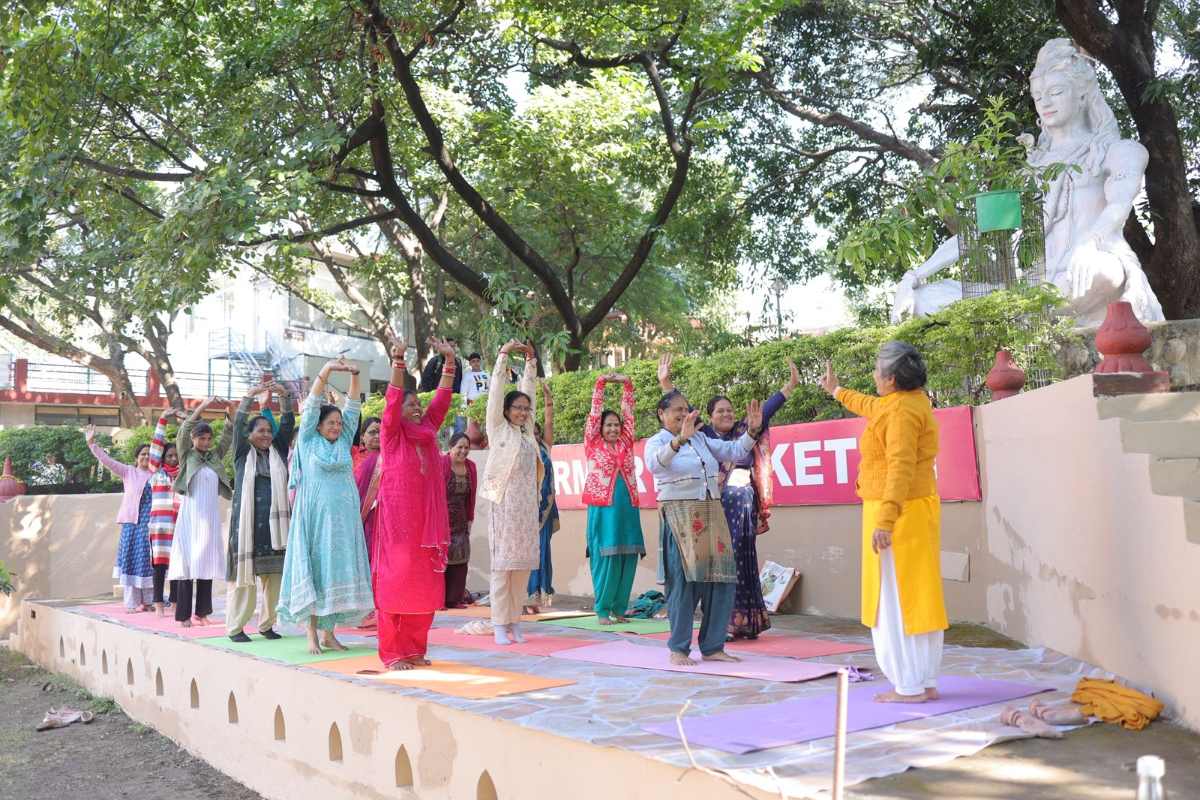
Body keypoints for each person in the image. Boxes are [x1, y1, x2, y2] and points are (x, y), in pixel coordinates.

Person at [819, 341, 947, 703]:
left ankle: (909, 686)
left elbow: (900, 468)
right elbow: (870, 406)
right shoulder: (907, 403)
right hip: (911, 511)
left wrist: (886, 520)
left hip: (898, 515)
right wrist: (837, 391)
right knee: (916, 595)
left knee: (895, 600)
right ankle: (923, 680)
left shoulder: (901, 412)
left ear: (891, 379)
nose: (874, 376)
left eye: (877, 371)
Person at [659, 354, 799, 640]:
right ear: (709, 417)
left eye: (730, 410)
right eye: (720, 411)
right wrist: (666, 383)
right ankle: (724, 624)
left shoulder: (742, 432)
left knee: (744, 560)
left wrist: (789, 386)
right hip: (717, 509)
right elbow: (680, 410)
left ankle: (746, 622)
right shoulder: (705, 436)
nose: (726, 414)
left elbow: (765, 412)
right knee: (724, 564)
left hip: (744, 505)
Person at [645, 389, 762, 665]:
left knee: (721, 580)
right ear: (662, 414)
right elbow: (654, 465)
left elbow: (733, 451)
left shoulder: (700, 438)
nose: (683, 414)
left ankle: (712, 647)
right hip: (681, 515)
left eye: (686, 409)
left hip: (712, 512)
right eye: (677, 410)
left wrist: (752, 432)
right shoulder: (657, 441)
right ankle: (678, 649)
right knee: (683, 583)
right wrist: (679, 440)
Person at [278, 358, 375, 654]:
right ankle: (311, 634)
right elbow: (311, 404)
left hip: (343, 521)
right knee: (316, 572)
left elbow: (353, 407)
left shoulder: (343, 441)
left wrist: (356, 374)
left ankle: (329, 634)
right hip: (314, 520)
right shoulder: (308, 441)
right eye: (330, 423)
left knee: (334, 574)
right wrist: (328, 370)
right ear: (318, 425)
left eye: (338, 423)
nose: (336, 426)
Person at [370, 338, 456, 669]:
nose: (417, 408)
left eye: (419, 403)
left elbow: (442, 401)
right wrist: (397, 360)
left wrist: (449, 361)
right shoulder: (392, 435)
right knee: (396, 585)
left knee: (424, 587)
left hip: (426, 526)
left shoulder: (428, 430)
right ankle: (392, 653)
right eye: (411, 405)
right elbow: (392, 402)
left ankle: (414, 649)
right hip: (397, 525)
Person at [479, 339, 539, 646]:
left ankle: (515, 620)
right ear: (506, 410)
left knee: (522, 566)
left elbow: (530, 393)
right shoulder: (498, 428)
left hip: (526, 509)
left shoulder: (528, 434)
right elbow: (495, 393)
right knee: (503, 567)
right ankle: (499, 623)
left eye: (526, 409)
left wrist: (530, 363)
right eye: (517, 408)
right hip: (502, 505)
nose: (523, 412)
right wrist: (503, 355)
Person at [225, 382, 295, 643]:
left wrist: (284, 397)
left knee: (275, 578)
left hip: (276, 529)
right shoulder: (242, 454)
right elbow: (239, 424)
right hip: (248, 528)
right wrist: (249, 397)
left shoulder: (278, 451)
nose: (266, 435)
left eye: (268, 431)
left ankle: (267, 624)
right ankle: (236, 627)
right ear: (249, 434)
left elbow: (287, 424)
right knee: (245, 581)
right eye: (260, 431)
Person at [581, 372, 645, 625]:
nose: (613, 428)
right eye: (608, 425)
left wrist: (627, 384)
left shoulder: (626, 442)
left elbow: (629, 414)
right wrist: (601, 384)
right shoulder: (593, 443)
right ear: (599, 428)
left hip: (628, 507)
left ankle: (620, 609)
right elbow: (595, 413)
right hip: (603, 509)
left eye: (616, 425)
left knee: (627, 557)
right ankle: (602, 609)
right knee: (606, 558)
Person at [169, 396, 234, 627]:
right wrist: (203, 406)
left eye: (208, 439)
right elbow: (183, 431)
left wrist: (230, 412)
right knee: (187, 566)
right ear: (194, 439)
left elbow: (228, 436)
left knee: (207, 564)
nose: (206, 442)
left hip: (210, 518)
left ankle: (202, 613)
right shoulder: (187, 455)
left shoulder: (214, 457)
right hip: (190, 518)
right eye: (201, 438)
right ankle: (184, 616)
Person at [86, 425, 157, 612]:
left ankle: (149, 601)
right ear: (136, 457)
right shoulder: (128, 472)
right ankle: (131, 603)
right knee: (131, 561)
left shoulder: (157, 475)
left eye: (149, 454)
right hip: (132, 524)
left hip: (151, 525)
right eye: (142, 454)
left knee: (148, 562)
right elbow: (107, 461)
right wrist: (92, 444)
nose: (146, 457)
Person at [147, 408, 185, 616]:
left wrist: (186, 421)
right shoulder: (156, 473)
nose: (173, 459)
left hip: (179, 526)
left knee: (177, 566)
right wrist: (162, 420)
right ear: (162, 458)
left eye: (176, 456)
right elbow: (156, 446)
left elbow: (188, 445)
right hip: (160, 527)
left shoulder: (183, 474)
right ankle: (158, 604)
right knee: (159, 566)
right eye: (169, 456)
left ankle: (176, 602)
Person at [526, 381, 560, 610]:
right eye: (533, 433)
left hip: (545, 509)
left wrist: (548, 399)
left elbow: (549, 421)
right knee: (530, 552)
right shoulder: (523, 450)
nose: (537, 436)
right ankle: (530, 594)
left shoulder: (545, 449)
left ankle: (541, 593)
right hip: (527, 509)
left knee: (543, 551)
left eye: (538, 433)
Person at [442, 432, 477, 608]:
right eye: (459, 447)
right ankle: (439, 598)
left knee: (461, 558)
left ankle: (455, 599)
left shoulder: (471, 467)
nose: (463, 451)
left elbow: (472, 496)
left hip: (461, 519)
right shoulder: (441, 464)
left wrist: (470, 518)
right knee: (441, 559)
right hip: (442, 518)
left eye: (466, 447)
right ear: (450, 447)